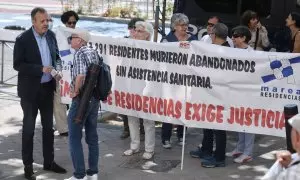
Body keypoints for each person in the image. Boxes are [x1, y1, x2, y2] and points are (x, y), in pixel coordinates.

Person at [13, 7, 66, 180]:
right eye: (42, 21)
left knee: (48, 128)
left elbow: (56, 57)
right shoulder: (23, 39)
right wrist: (40, 69)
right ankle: (28, 165)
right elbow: (18, 65)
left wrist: (57, 70)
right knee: (28, 129)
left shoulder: (51, 36)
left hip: (47, 89)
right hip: (29, 92)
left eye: (48, 20)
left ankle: (49, 162)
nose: (46, 24)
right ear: (33, 22)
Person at [189, 23, 229, 168]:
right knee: (207, 122)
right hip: (210, 91)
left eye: (211, 34)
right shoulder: (218, 48)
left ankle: (219, 157)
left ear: (214, 35)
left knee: (218, 127)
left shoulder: (225, 51)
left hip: (219, 94)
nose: (210, 36)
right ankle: (206, 149)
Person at [64, 28, 100, 180]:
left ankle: (79, 175)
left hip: (81, 100)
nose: (70, 40)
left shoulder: (79, 53)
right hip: (94, 99)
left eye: (72, 37)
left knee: (74, 137)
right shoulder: (93, 52)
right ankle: (93, 173)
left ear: (79, 40)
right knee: (92, 137)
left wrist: (74, 91)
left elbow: (80, 76)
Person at [160, 13, 197, 149]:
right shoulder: (167, 40)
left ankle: (182, 135)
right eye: (182, 25)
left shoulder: (193, 39)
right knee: (169, 108)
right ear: (175, 26)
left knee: (184, 107)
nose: (185, 27)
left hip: (186, 80)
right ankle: (166, 137)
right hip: (170, 80)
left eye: (186, 25)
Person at [123, 21, 156, 160]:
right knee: (132, 117)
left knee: (148, 120)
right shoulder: (129, 45)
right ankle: (134, 146)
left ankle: (149, 148)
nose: (135, 33)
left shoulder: (153, 49)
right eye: (135, 30)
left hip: (147, 88)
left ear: (147, 35)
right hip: (131, 87)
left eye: (139, 31)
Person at [226, 26, 254, 163]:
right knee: (239, 121)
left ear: (243, 38)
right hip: (236, 92)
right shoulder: (233, 51)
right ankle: (240, 148)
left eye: (236, 36)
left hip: (248, 93)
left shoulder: (252, 53)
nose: (233, 38)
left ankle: (248, 152)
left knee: (248, 122)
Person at [119, 17, 145, 140]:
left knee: (140, 103)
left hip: (140, 78)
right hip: (125, 77)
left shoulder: (144, 42)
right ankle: (126, 128)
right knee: (125, 104)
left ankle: (142, 129)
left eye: (136, 30)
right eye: (132, 29)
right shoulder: (124, 41)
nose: (133, 32)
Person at [262, 113, 300, 180]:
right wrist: (289, 164)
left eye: (293, 129)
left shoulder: (290, 174)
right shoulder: (294, 158)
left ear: (297, 137)